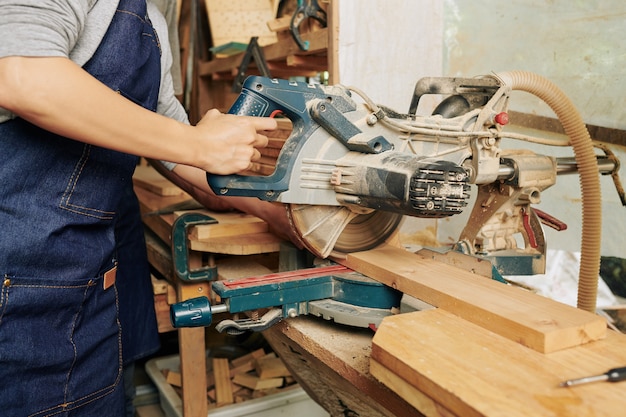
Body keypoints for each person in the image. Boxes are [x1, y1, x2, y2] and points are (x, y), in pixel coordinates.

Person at [0, 1, 298, 415]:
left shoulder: (153, 18)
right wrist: (200, 143)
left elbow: (172, 140)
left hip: (87, 278)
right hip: (16, 281)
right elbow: (23, 75)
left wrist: (280, 213)